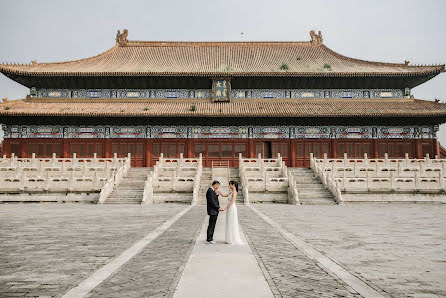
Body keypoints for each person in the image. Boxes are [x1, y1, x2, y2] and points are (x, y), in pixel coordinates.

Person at [217, 181, 244, 245]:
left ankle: (233, 238)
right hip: (230, 208)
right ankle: (229, 238)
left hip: (232, 208)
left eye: (230, 185)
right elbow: (224, 195)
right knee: (229, 221)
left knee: (232, 222)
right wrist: (219, 191)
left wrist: (225, 208)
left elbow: (232, 202)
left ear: (233, 185)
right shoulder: (231, 192)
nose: (229, 186)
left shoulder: (234, 192)